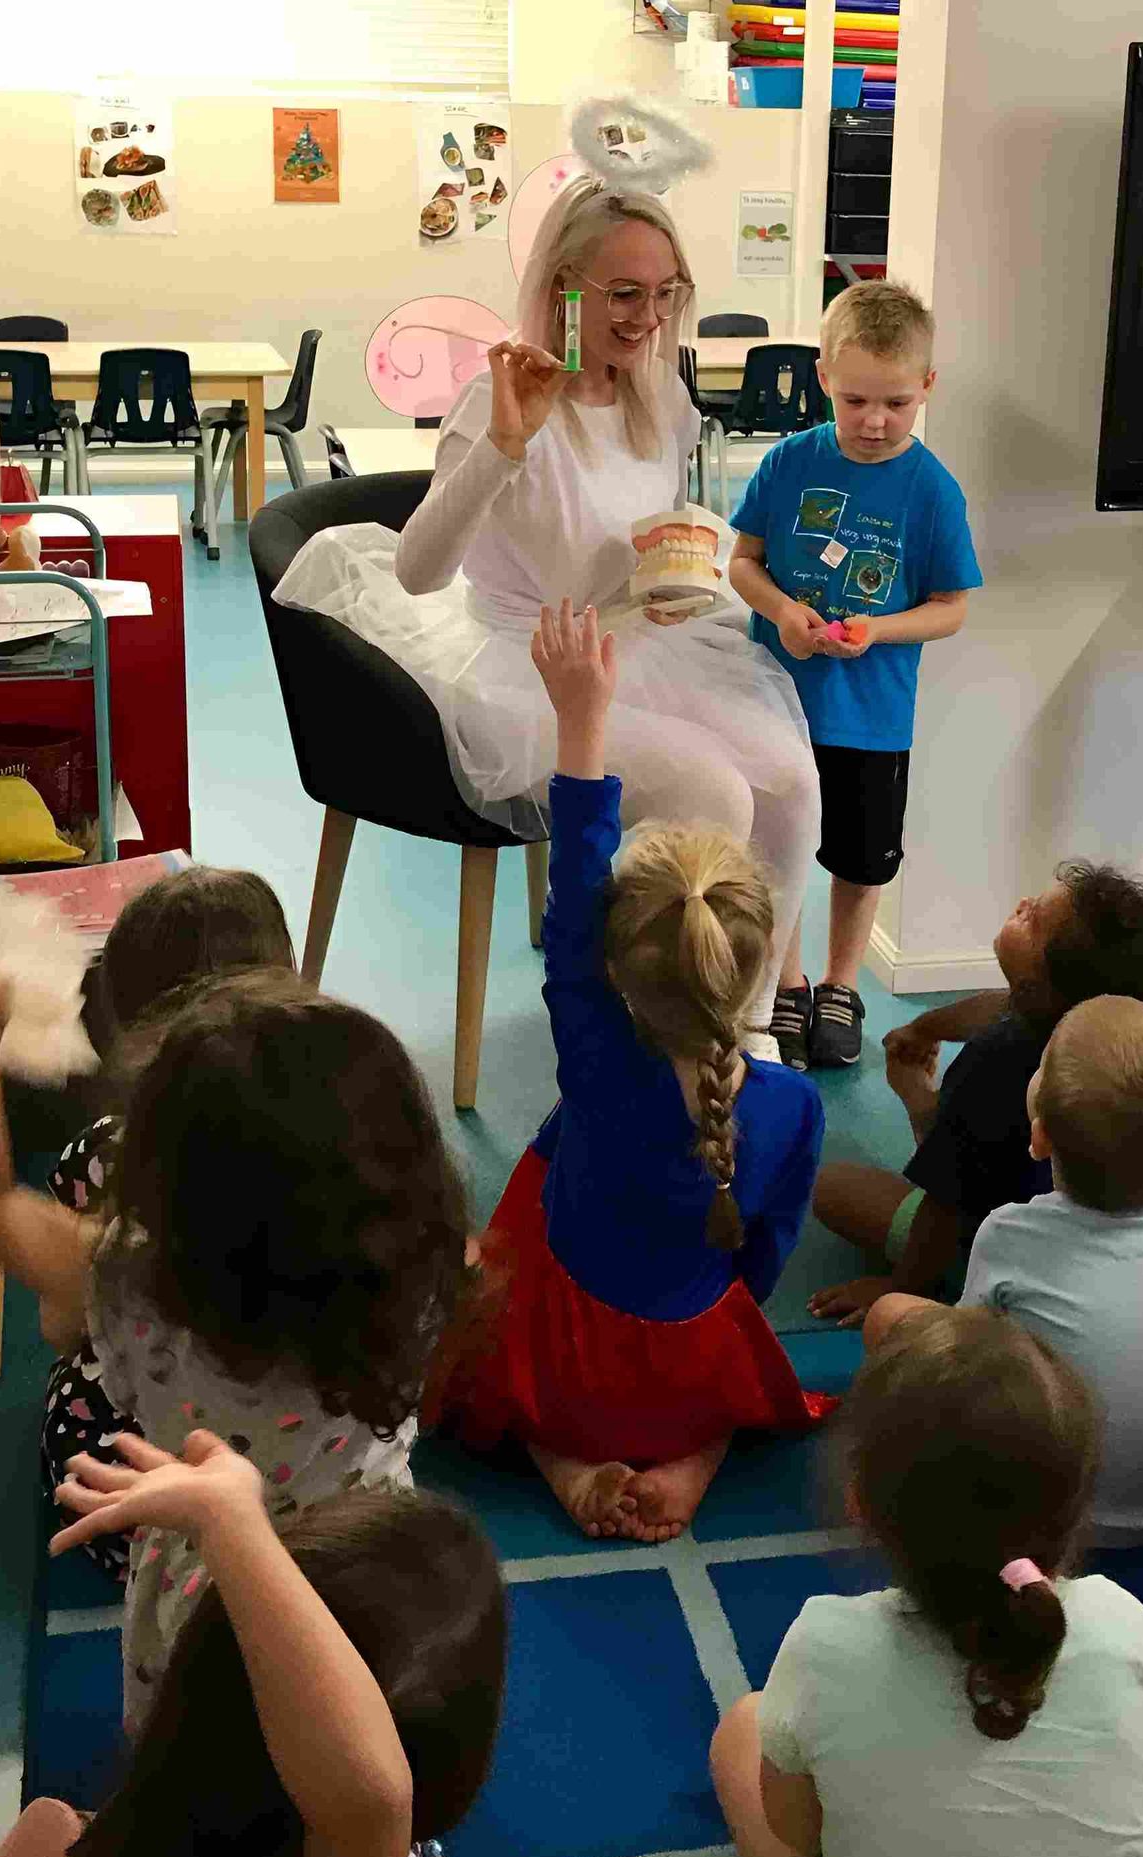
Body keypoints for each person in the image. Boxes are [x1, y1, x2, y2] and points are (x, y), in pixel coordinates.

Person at [271, 172, 818, 1039]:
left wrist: (673, 579)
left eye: (666, 293)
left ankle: (747, 1029)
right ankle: (675, 1039)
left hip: (631, 642)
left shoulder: (656, 392)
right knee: (717, 792)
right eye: (626, 293)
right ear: (565, 288)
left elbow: (639, 534)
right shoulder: (500, 398)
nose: (648, 316)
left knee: (791, 780)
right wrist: (501, 446)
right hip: (523, 667)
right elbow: (418, 572)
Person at [0, 950, 472, 1733]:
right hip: (372, 1567)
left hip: (207, 1588)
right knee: (345, 1736)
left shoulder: (126, 1283)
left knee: (198, 1753)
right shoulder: (423, 1271)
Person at [437, 600, 831, 1544]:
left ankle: (559, 1460)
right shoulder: (793, 1106)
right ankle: (695, 1458)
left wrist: (580, 722)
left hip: (566, 1372)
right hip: (694, 1373)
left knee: (480, 1302)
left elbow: (574, 892)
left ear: (615, 970)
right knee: (715, 1350)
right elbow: (763, 1264)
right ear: (756, 960)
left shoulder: (597, 1062)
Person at [709, 1310, 1143, 1857]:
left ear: (861, 1505)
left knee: (744, 1726)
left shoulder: (822, 1644)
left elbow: (797, 1831)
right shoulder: (1122, 1621)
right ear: (1078, 1508)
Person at [0, 1430, 504, 1857]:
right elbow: (369, 1810)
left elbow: (367, 1808)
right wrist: (232, 1526)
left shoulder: (50, 1854)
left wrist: (233, 1523)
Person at [862, 996, 1143, 1547]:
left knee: (891, 1317)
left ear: (1038, 1136)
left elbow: (965, 1365)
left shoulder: (1008, 1233)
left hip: (1044, 1521)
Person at [727, 281, 982, 1071]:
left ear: (927, 389)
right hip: (778, 699)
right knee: (778, 848)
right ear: (824, 379)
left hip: (873, 716)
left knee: (860, 857)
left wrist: (879, 630)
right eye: (858, 400)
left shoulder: (933, 491)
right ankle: (790, 979)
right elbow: (742, 563)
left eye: (898, 404)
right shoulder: (787, 462)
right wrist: (783, 617)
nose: (876, 422)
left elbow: (951, 607)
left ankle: (841, 981)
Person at [41, 865, 297, 1583]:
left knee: (76, 1381)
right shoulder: (338, 1128)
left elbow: (61, 1326)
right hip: (317, 1513)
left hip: (139, 1521)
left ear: (125, 1021)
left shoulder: (105, 1153)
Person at [807, 863, 1143, 1326]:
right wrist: (926, 1027)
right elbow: (999, 1005)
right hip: (1106, 1247)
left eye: (1032, 919)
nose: (1021, 906)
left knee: (832, 1187)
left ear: (1039, 987)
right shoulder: (1123, 1049)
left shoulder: (994, 1064)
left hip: (1009, 1246)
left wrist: (902, 1288)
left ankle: (972, 1287)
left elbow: (947, 1200)